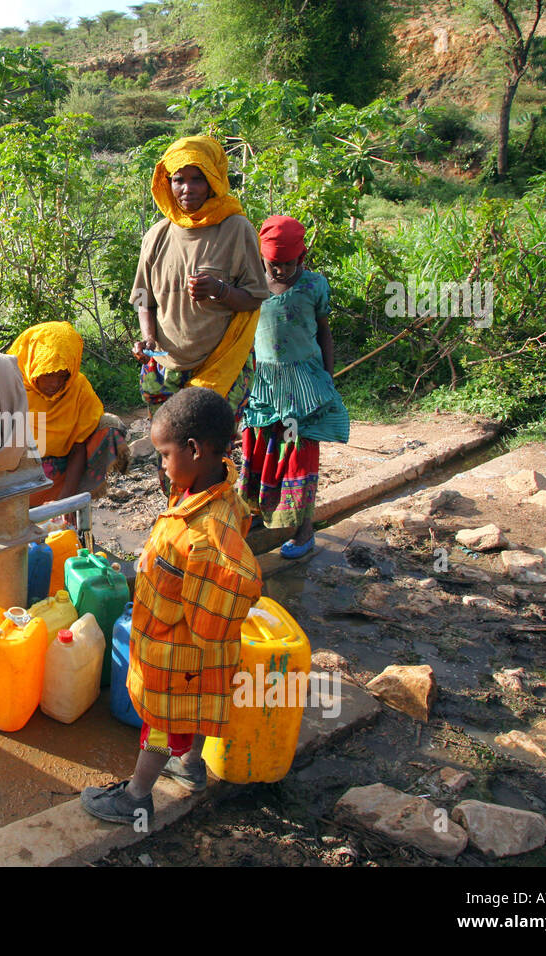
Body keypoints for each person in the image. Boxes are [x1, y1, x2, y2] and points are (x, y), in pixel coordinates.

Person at [81, 387, 261, 824]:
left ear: (195, 450)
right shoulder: (206, 487)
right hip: (186, 653)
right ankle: (192, 766)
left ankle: (137, 797)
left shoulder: (210, 533)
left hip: (179, 652)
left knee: (162, 726)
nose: (160, 465)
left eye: (163, 454)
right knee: (193, 712)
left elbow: (224, 593)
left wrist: (197, 625)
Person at [129, 135, 269, 490]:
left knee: (209, 452)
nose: (187, 188)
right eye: (178, 179)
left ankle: (214, 522)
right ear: (167, 183)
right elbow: (144, 296)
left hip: (220, 364)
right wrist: (148, 336)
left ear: (214, 180)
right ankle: (176, 518)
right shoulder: (157, 236)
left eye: (197, 178)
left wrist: (220, 290)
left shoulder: (236, 229)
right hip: (165, 364)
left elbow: (255, 296)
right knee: (170, 451)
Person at [238, 215, 349, 559]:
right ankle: (260, 515)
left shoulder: (314, 287)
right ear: (262, 259)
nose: (280, 271)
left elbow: (324, 332)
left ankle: (303, 531)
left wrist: (327, 377)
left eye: (287, 264)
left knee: (296, 455)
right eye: (274, 264)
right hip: (264, 385)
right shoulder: (252, 287)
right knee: (259, 450)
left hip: (303, 389)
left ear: (301, 259)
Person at [7, 321, 128, 507]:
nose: (55, 383)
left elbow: (78, 447)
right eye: (47, 374)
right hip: (13, 473)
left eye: (62, 375)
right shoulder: (9, 386)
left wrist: (66, 501)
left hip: (62, 470)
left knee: (109, 427)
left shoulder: (77, 388)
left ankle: (76, 500)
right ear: (31, 363)